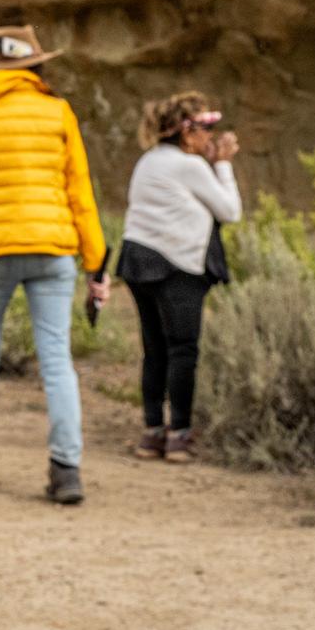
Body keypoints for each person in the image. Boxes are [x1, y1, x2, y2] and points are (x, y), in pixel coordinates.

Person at [0, 24, 108, 505]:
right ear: (34, 66)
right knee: (56, 359)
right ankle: (66, 471)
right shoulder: (58, 112)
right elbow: (80, 192)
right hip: (52, 246)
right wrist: (97, 264)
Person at [117, 92, 242, 464]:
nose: (211, 136)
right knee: (183, 349)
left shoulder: (148, 161)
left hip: (139, 261)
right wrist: (223, 165)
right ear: (187, 134)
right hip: (177, 265)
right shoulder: (190, 167)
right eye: (206, 128)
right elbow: (230, 210)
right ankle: (179, 435)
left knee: (154, 349)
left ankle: (152, 432)